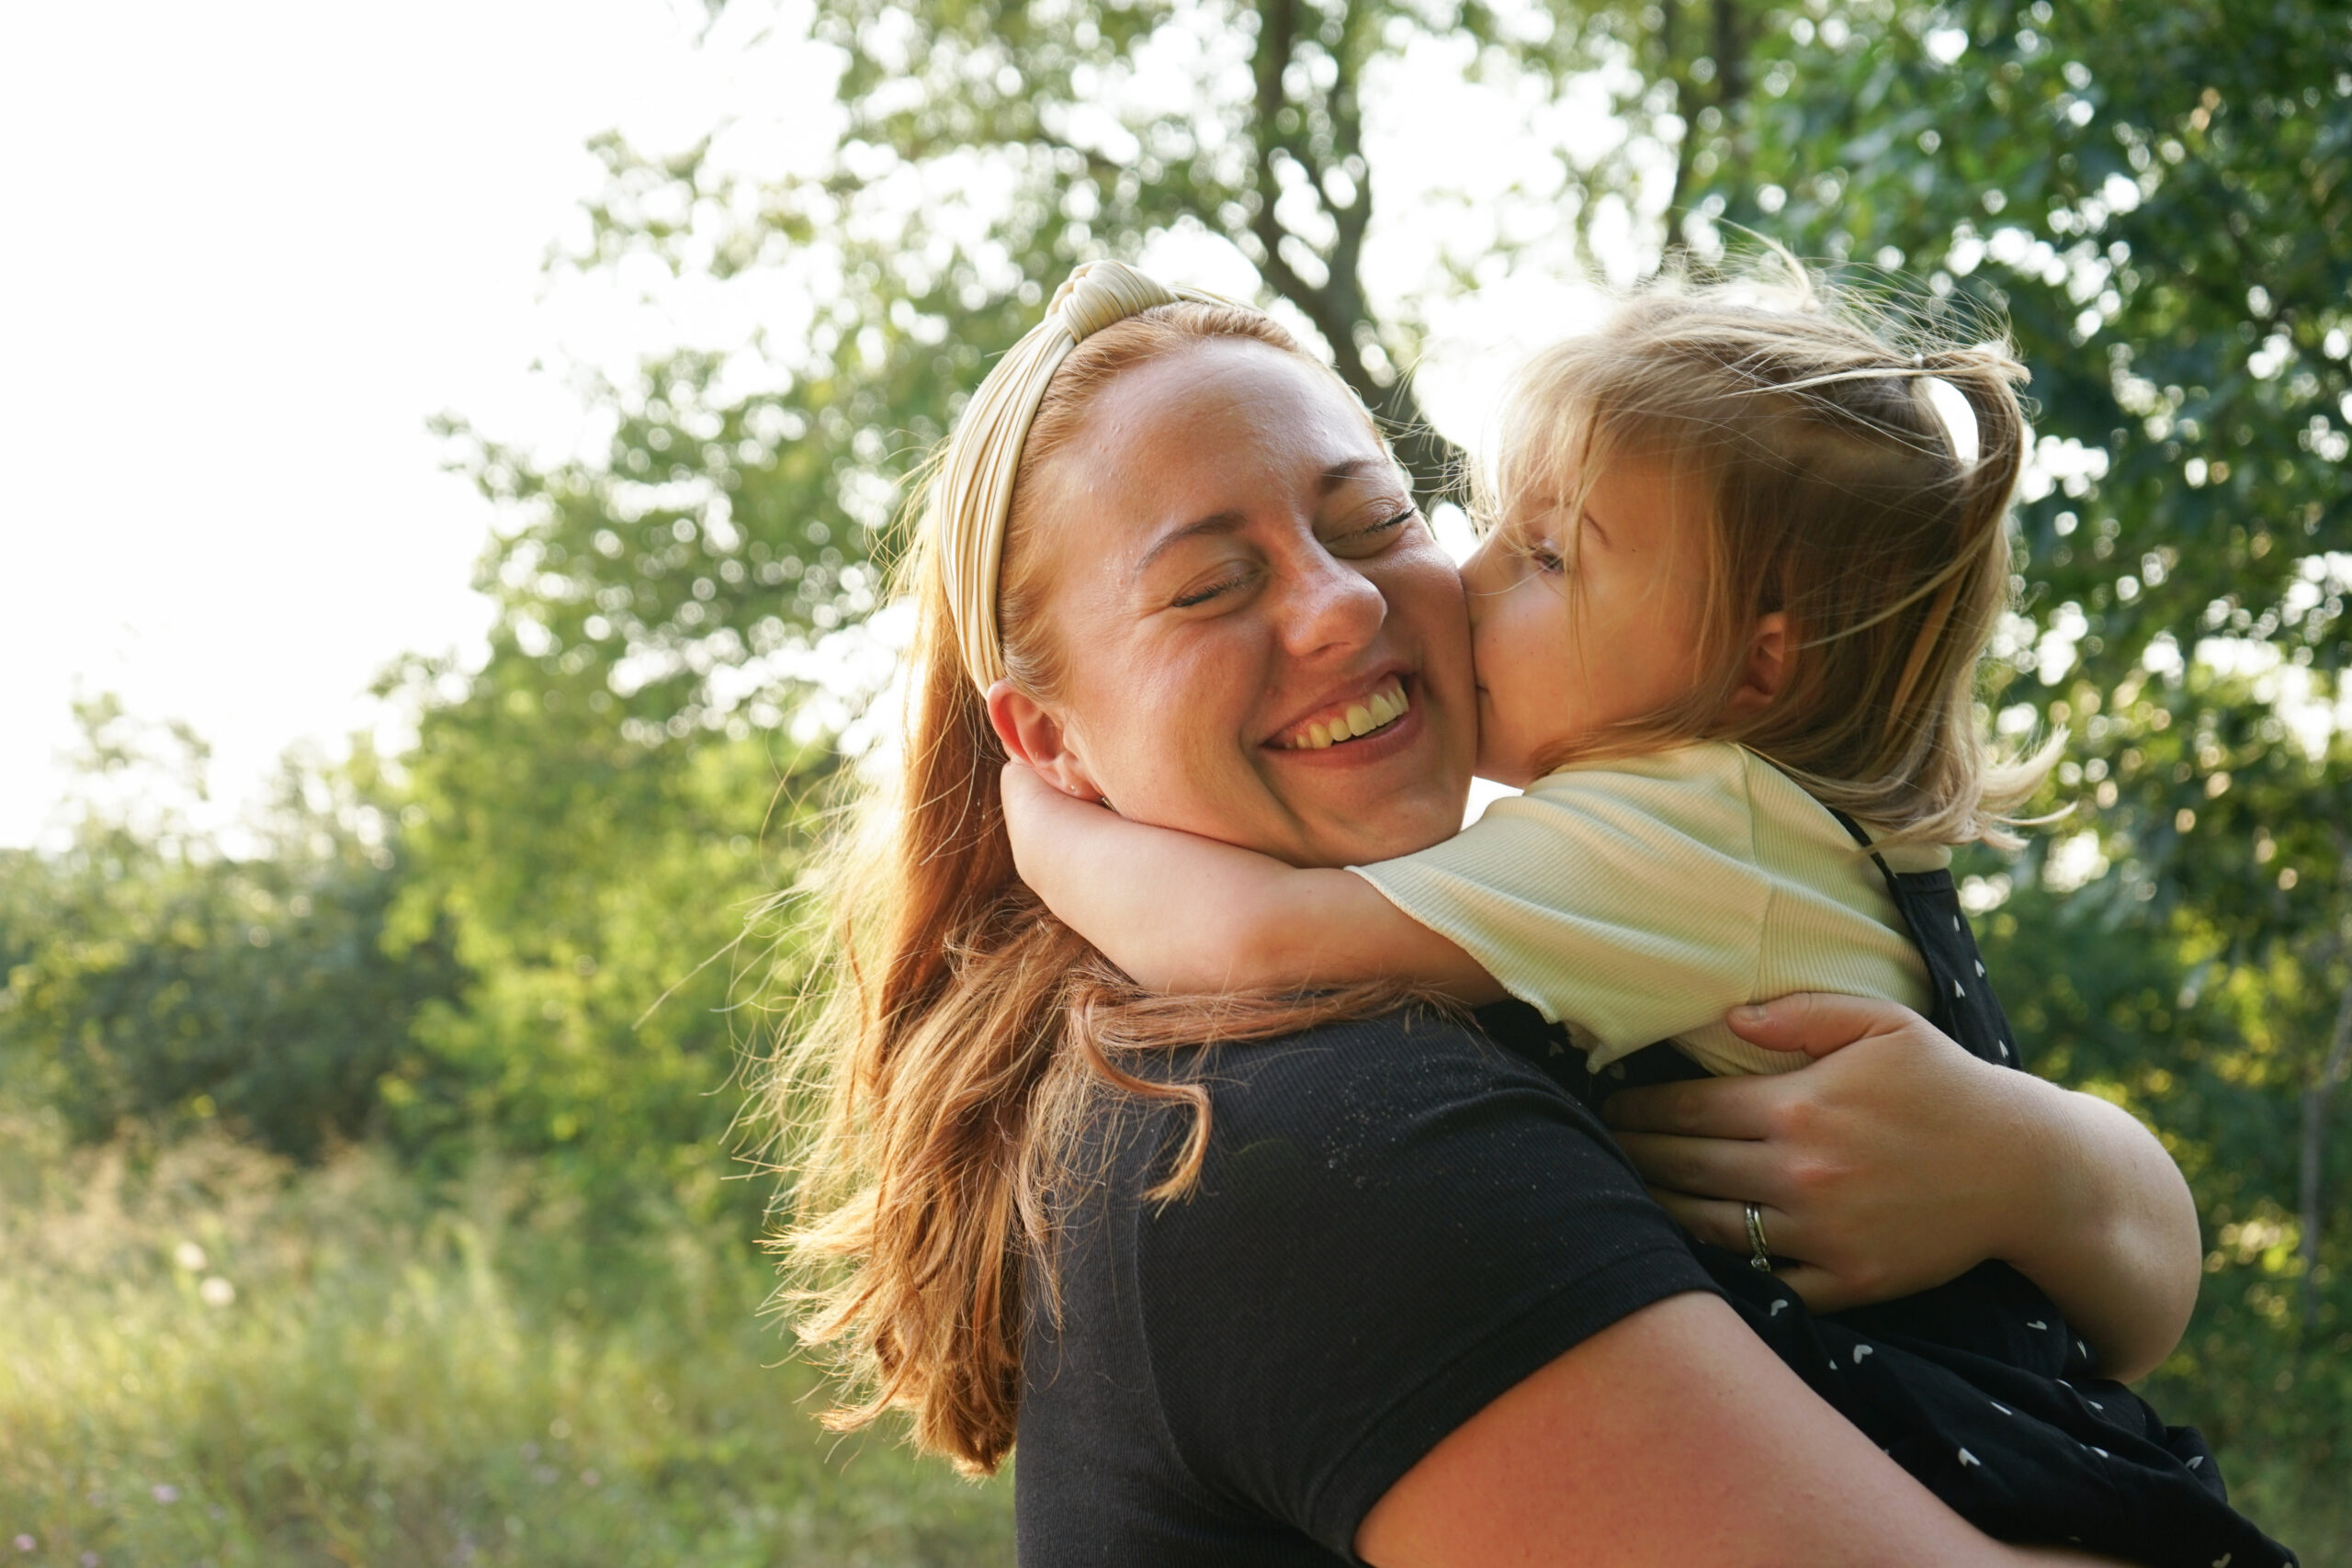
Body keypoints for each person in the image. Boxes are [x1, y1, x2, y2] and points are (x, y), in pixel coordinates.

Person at [769, 260, 2269, 1566]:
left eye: (1377, 521)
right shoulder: (1309, 1136)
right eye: (1211, 587)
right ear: (1047, 737)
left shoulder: (1551, 924)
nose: (1346, 605)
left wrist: (2046, 1169)